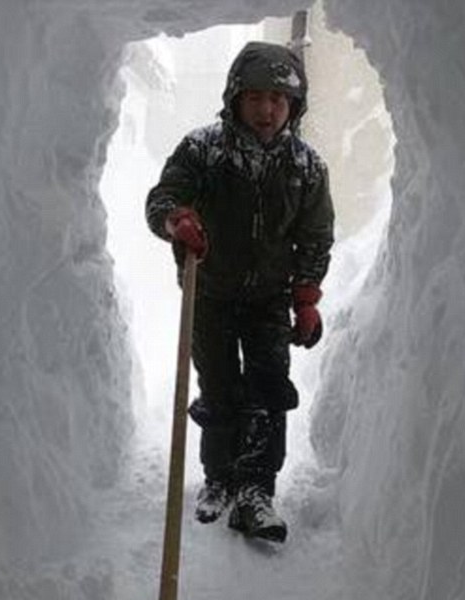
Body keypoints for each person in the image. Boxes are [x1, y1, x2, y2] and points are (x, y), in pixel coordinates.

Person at [146, 41, 334, 542]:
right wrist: (177, 218)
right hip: (208, 292)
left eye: (279, 99)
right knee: (220, 385)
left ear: (294, 106)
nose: (267, 109)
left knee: (268, 390)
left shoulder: (306, 167)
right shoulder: (203, 150)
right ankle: (219, 478)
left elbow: (315, 235)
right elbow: (163, 196)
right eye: (255, 97)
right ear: (235, 98)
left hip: (270, 299)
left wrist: (307, 298)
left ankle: (256, 490)